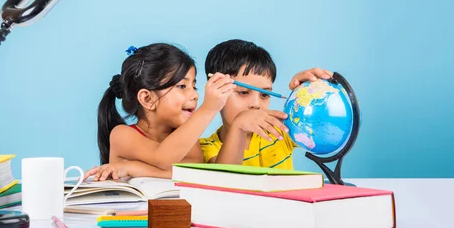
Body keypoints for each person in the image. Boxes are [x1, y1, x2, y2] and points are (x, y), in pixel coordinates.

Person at [86, 43, 235, 181]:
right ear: (147, 99)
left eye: (194, 86)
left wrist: (133, 168)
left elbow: (194, 172)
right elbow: (162, 158)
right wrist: (208, 109)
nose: (195, 95)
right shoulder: (122, 135)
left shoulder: (186, 137)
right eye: (182, 86)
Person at [200, 39, 332, 169]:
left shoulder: (280, 129)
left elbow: (325, 129)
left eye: (264, 95)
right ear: (217, 90)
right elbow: (224, 179)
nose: (256, 104)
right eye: (244, 93)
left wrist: (310, 90)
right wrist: (239, 126)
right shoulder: (206, 148)